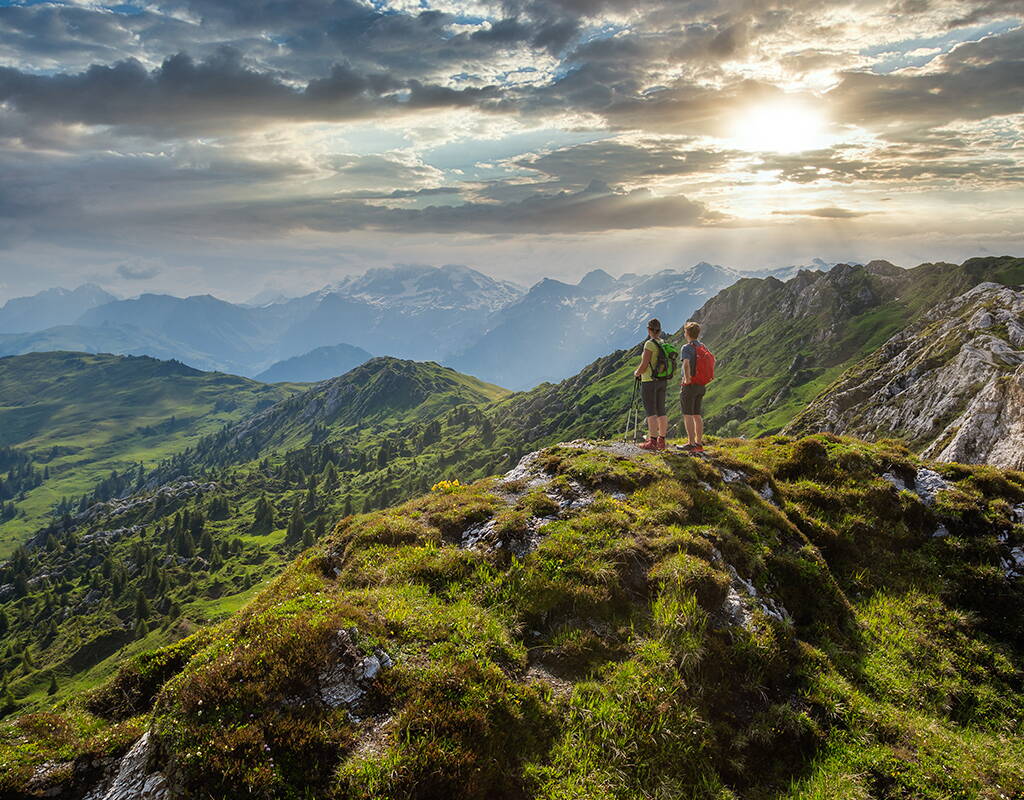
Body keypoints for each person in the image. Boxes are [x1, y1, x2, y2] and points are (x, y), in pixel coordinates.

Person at [633, 318, 669, 451]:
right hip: (662, 381)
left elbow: (644, 364)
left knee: (651, 411)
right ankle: (662, 440)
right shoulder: (662, 342)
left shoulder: (649, 344)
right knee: (661, 410)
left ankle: (652, 441)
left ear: (649, 330)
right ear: (659, 330)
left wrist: (637, 373)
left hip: (649, 381)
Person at [679, 320, 707, 452]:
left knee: (687, 414)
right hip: (701, 385)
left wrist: (687, 379)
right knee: (697, 414)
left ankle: (690, 443)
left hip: (690, 385)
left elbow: (686, 364)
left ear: (688, 333)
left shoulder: (687, 348)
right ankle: (699, 443)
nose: (684, 333)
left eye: (685, 331)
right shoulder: (702, 347)